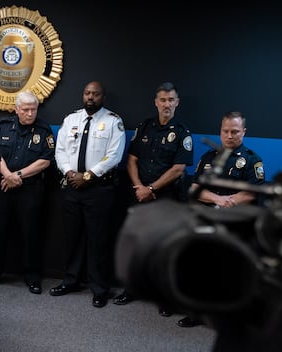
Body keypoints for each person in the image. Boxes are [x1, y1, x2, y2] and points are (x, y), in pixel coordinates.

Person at [177, 111, 264, 327]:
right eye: (225, 131)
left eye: (235, 131)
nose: (230, 135)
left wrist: (228, 202)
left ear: (243, 132)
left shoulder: (252, 159)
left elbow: (253, 192)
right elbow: (196, 187)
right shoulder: (208, 158)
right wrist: (217, 199)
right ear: (220, 131)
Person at [114, 81, 193, 317]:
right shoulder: (145, 127)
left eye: (171, 100)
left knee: (165, 249)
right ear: (156, 102)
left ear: (177, 102)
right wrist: (139, 187)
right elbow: (131, 160)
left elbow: (179, 169)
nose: (166, 104)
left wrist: (150, 188)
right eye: (162, 100)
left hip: (166, 198)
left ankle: (165, 297)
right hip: (139, 196)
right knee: (135, 245)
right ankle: (131, 289)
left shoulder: (182, 132)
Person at [51, 81, 126, 308]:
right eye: (87, 93)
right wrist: (69, 172)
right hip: (72, 187)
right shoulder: (71, 120)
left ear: (103, 97)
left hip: (99, 190)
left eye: (95, 94)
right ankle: (71, 281)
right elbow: (60, 150)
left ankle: (99, 288)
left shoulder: (113, 121)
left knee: (98, 241)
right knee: (71, 238)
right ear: (82, 95)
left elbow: (114, 155)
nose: (90, 97)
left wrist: (89, 175)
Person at [0, 91, 55, 294]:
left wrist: (17, 176)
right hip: (3, 186)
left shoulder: (44, 130)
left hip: (30, 190)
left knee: (30, 234)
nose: (29, 113)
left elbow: (45, 160)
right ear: (16, 109)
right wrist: (7, 175)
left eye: (33, 109)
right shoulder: (4, 126)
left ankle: (32, 276)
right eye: (25, 109)